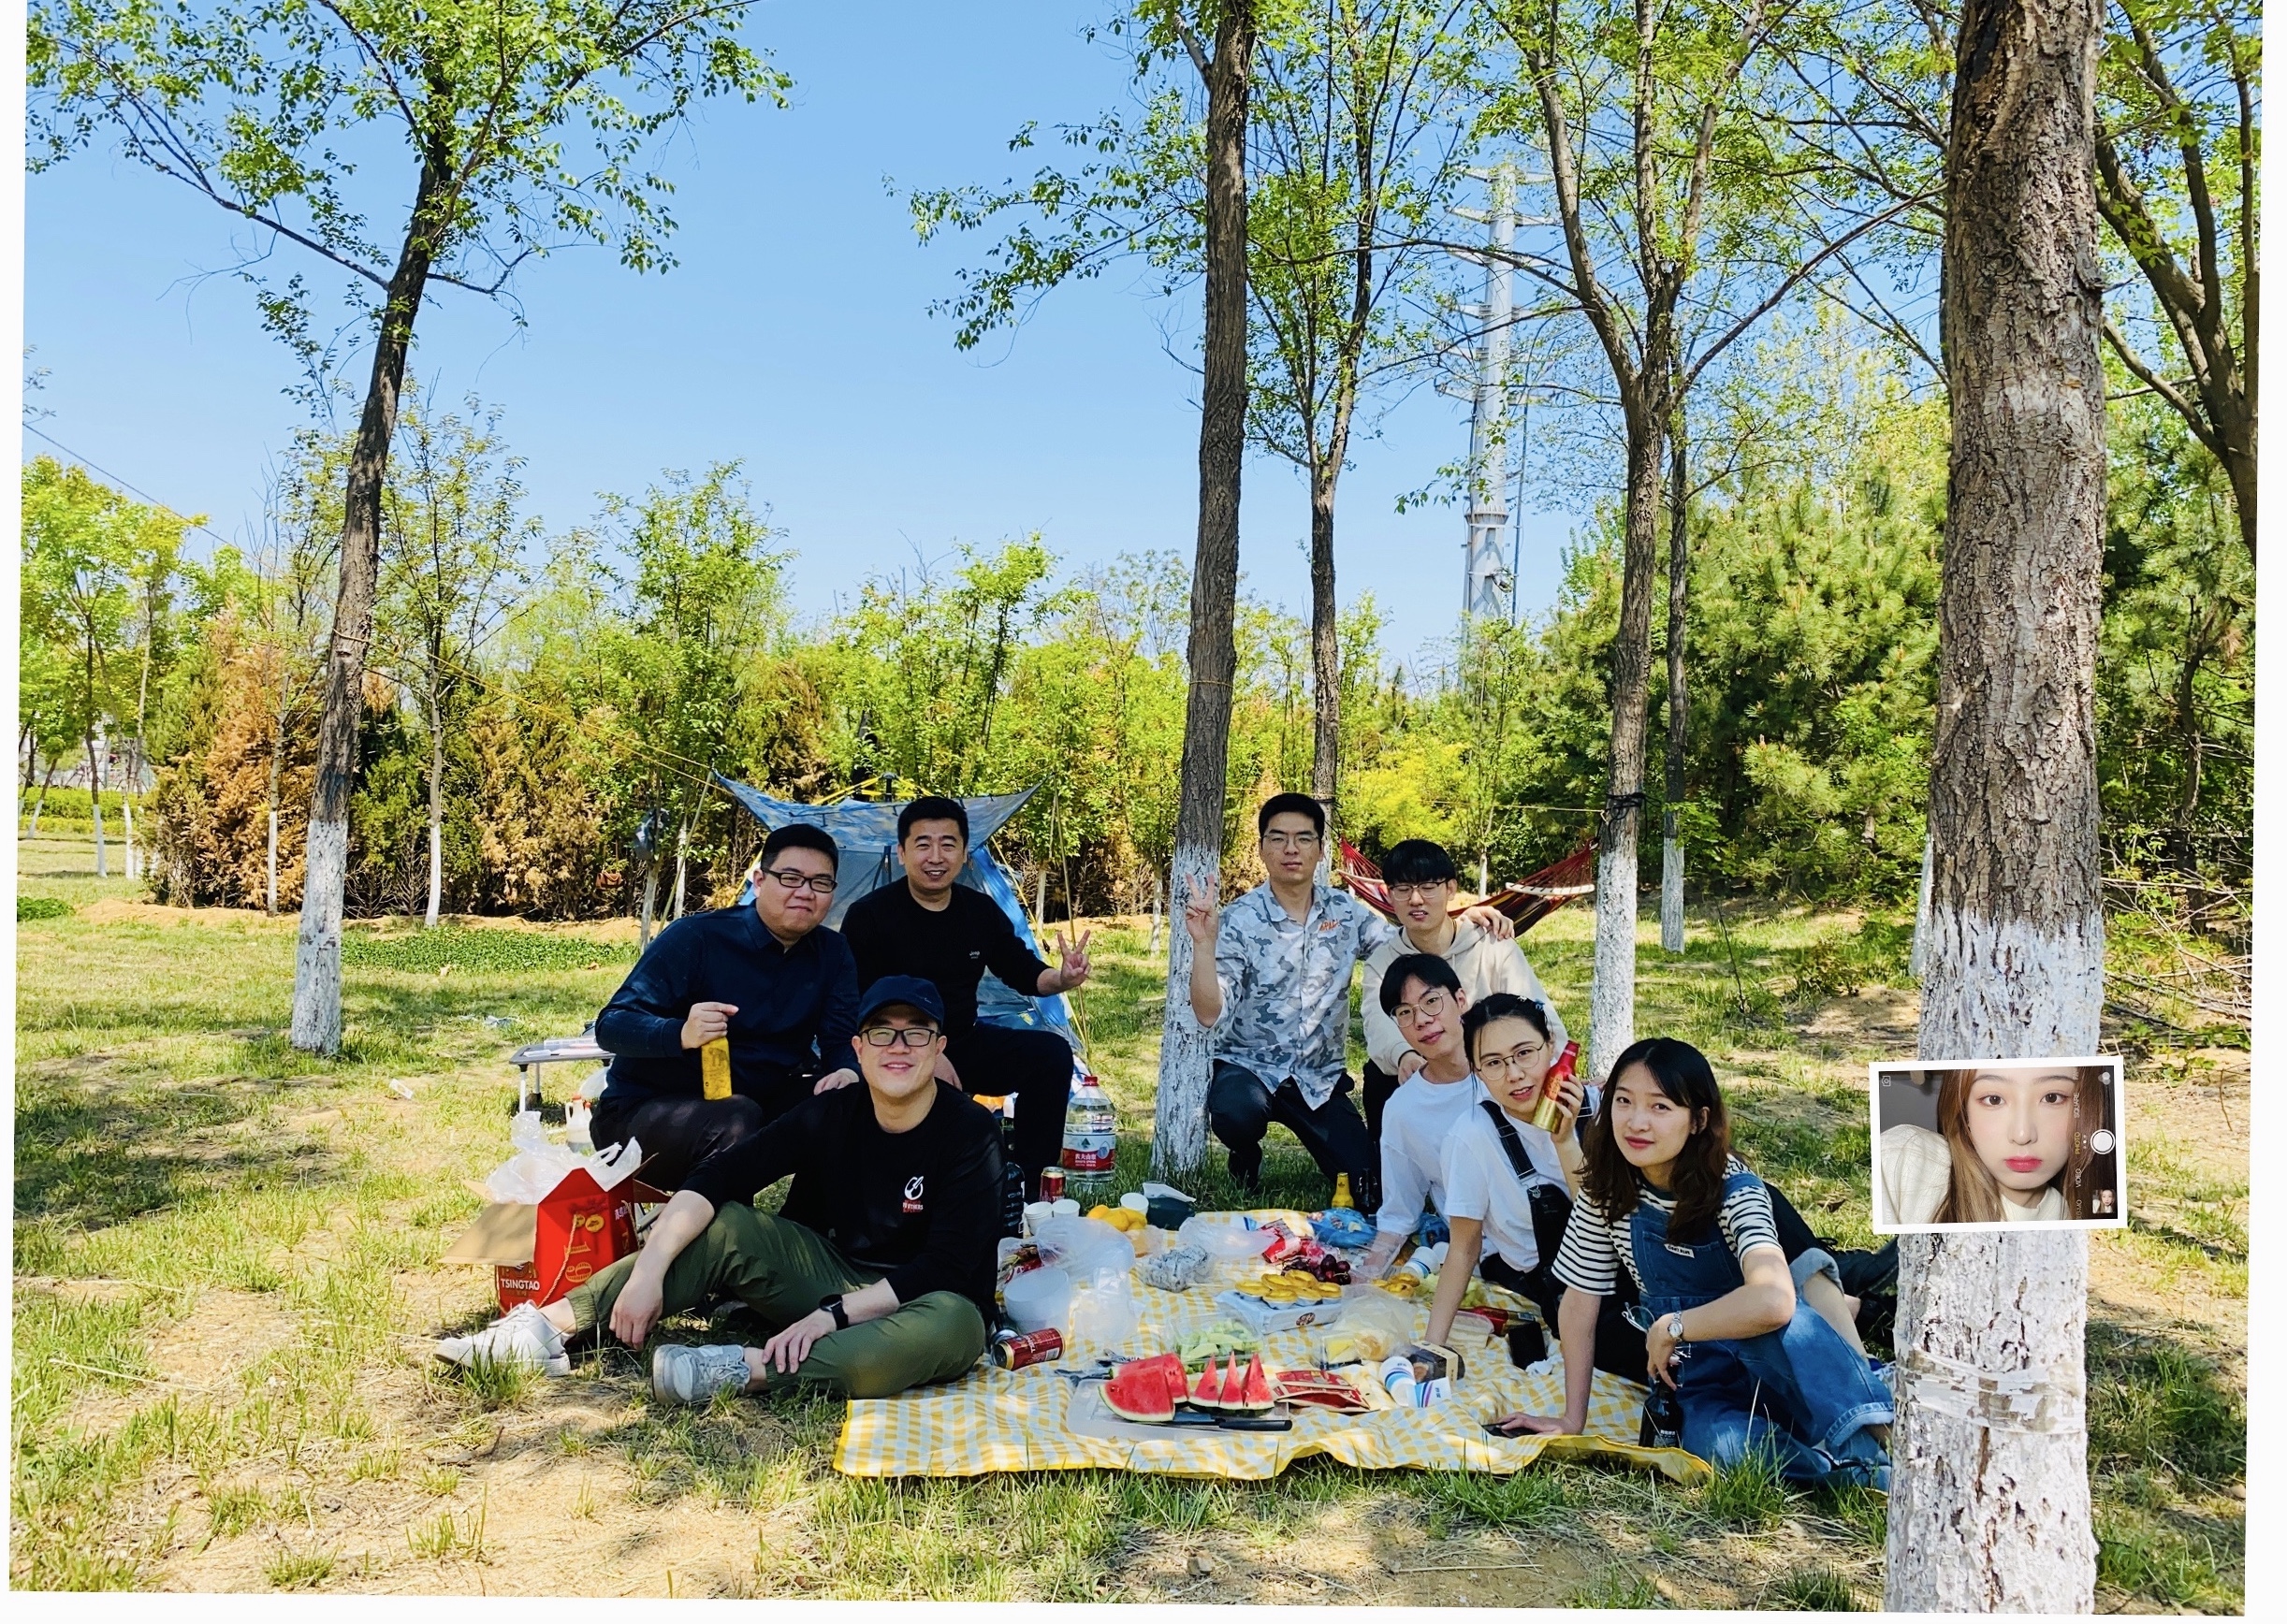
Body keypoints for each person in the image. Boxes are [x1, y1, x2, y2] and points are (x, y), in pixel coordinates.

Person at [438, 977, 999, 1402]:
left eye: (916, 1033)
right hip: (835, 1274)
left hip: (927, 1302)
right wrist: (650, 1269)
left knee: (954, 1327)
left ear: (938, 1047)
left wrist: (832, 1316)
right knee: (724, 1222)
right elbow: (719, 1177)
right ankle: (547, 1327)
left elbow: (947, 1266)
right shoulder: (832, 1112)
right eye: (882, 1033)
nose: (898, 1047)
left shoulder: (971, 1132)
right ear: (858, 1047)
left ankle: (742, 1369)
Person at [1492, 1037, 1893, 1487]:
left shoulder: (1735, 1187)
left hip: (1775, 1357)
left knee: (1797, 1325)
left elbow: (1775, 1302)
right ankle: (1840, 1474)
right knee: (1717, 1447)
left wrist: (1674, 1326)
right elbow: (1580, 1303)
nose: (1637, 1122)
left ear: (1698, 1120)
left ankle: (1870, 1446)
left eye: (1660, 1107)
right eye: (1623, 1101)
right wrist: (1571, 1419)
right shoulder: (1605, 1192)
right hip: (1696, 1377)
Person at [1183, 792, 1515, 1207]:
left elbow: (1405, 948)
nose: (1291, 849)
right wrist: (1203, 945)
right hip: (1251, 1070)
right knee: (1236, 1112)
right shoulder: (1237, 919)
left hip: (1318, 1080)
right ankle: (1245, 1153)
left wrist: (1456, 919)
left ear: (1321, 850)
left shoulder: (1345, 912)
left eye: (1304, 838)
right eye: (1278, 838)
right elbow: (1209, 1013)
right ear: (1262, 849)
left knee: (1368, 1191)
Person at [836, 795, 1091, 1196]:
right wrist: (926, 1053)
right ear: (902, 853)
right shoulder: (870, 916)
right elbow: (859, 1003)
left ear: (965, 853)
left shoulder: (979, 912)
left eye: (948, 844)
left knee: (1051, 1055)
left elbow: (1024, 972)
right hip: (896, 1047)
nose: (936, 857)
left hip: (964, 1039)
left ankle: (1029, 1187)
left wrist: (1062, 977)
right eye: (923, 844)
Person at [589, 822, 859, 1190]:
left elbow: (840, 1038)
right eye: (791, 878)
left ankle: (805, 1219)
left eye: (820, 883)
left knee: (849, 1104)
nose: (805, 892)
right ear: (759, 881)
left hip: (756, 1101)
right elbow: (611, 1026)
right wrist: (680, 1033)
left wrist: (848, 1071)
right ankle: (713, 1225)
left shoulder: (832, 952)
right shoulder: (698, 937)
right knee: (736, 1118)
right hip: (643, 1115)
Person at [1361, 837, 1568, 1150]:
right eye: (1402, 889)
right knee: (1379, 1078)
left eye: (1428, 886)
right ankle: (1389, 1164)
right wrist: (1404, 1056)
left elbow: (1535, 1011)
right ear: (1389, 895)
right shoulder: (1382, 962)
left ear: (1451, 889)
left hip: (1490, 1067)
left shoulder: (1492, 943)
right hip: (1424, 1069)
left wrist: (1556, 1064)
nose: (1415, 899)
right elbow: (1378, 1022)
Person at [1878, 1064, 2119, 1225]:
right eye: (1994, 1099)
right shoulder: (1904, 1158)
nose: (2022, 1135)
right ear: (1964, 1113)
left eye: (2052, 1098)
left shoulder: (2073, 1219)